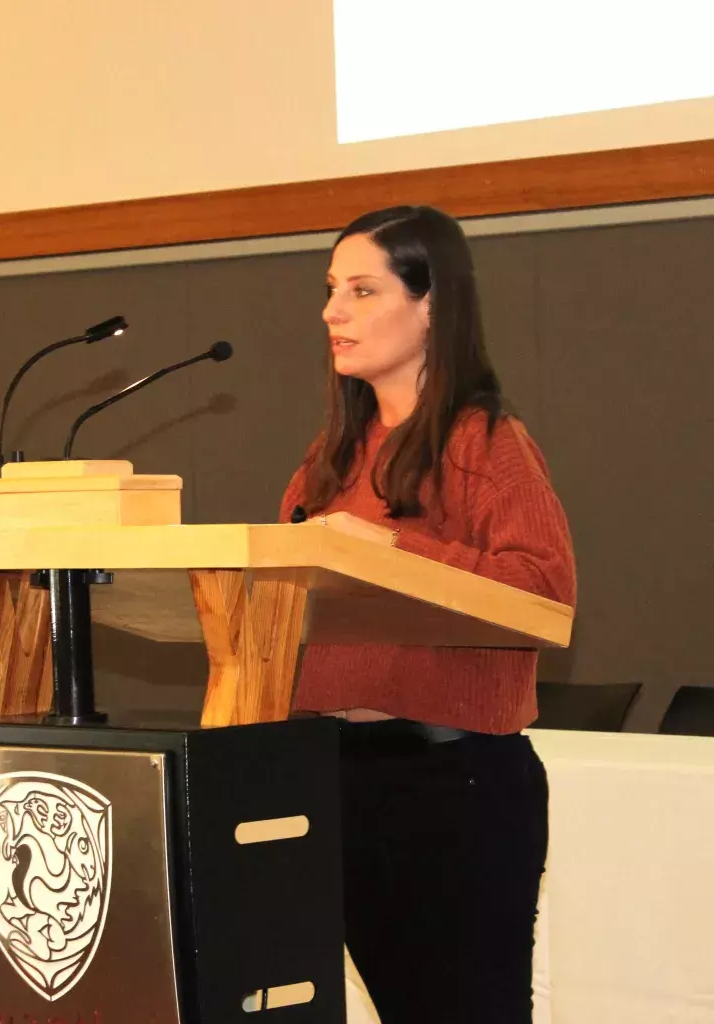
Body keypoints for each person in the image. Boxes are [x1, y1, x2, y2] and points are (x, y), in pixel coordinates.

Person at [279, 206, 576, 1024]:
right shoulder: (329, 458)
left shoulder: (485, 441)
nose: (332, 312)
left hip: (451, 786)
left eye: (363, 289)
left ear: (433, 304)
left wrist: (385, 551)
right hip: (331, 779)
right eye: (332, 289)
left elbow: (543, 592)